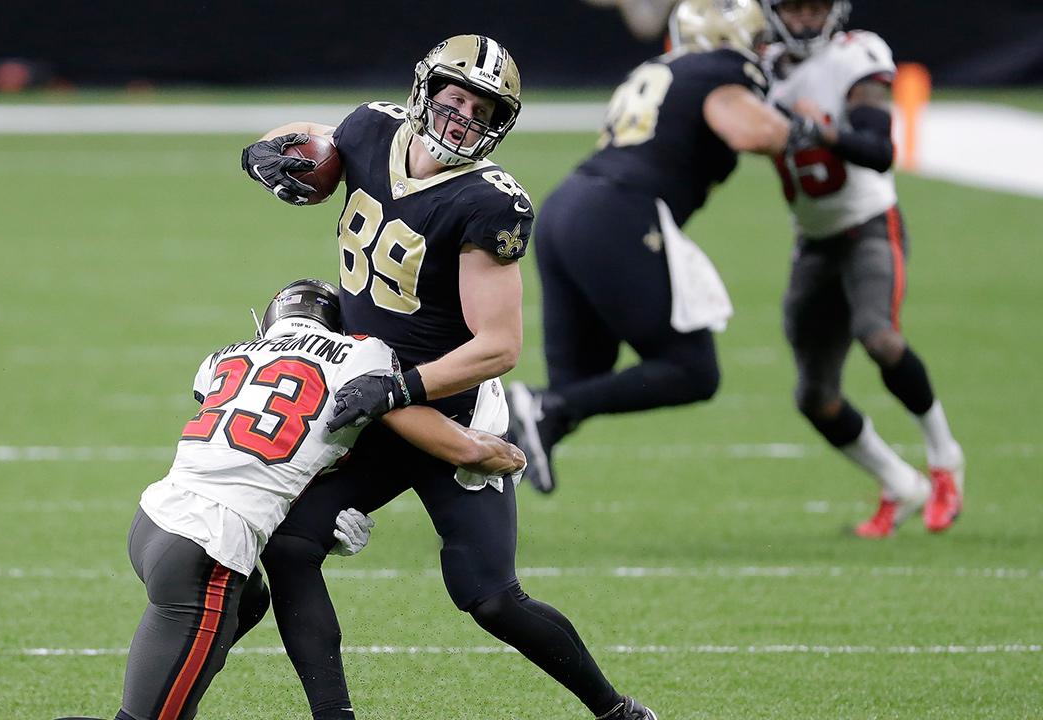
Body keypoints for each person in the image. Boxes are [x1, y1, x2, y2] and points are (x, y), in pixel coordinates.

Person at [241, 35, 660, 720]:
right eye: (455, 97)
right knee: (290, 548)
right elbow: (313, 136)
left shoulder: (489, 203)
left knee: (490, 597)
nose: (463, 116)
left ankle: (616, 712)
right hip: (368, 394)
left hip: (443, 411)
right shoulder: (373, 128)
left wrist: (401, 389)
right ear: (425, 90)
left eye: (481, 108)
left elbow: (500, 346)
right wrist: (261, 151)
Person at [53, 278, 526, 720]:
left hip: (154, 521)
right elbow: (447, 445)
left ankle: (178, 670)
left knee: (250, 602)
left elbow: (255, 456)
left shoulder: (222, 357)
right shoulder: (362, 357)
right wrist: (507, 453)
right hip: (206, 551)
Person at [505, 0, 802, 494]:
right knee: (692, 371)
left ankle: (472, 464)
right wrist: (816, 130)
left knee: (575, 387)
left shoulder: (660, 68)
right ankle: (531, 413)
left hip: (567, 208)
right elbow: (750, 130)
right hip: (615, 216)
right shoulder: (723, 69)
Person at [760, 0, 965, 537]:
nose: (805, 19)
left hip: (869, 225)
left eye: (816, 7)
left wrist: (822, 132)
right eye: (794, 9)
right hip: (812, 242)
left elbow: (879, 149)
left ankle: (946, 462)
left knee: (880, 339)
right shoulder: (761, 68)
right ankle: (901, 483)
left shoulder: (857, 55)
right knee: (815, 397)